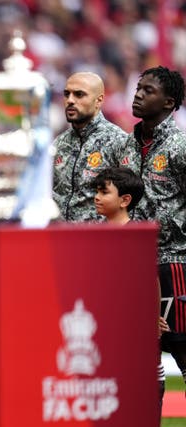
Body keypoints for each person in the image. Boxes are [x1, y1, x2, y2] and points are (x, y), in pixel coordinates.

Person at [119, 65, 186, 404]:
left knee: (180, 347)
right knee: (141, 357)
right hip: (132, 266)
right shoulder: (125, 146)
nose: (138, 94)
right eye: (138, 88)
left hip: (173, 263)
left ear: (169, 102)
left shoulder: (181, 146)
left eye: (148, 91)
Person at [90, 166, 166, 417]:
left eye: (104, 192)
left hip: (133, 325)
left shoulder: (136, 236)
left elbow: (150, 280)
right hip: (106, 324)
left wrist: (153, 319)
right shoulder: (95, 235)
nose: (97, 197)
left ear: (125, 200)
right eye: (96, 192)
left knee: (144, 382)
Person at [52, 71, 128, 222]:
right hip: (59, 238)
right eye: (67, 94)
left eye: (79, 94)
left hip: (98, 240)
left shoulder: (119, 141)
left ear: (98, 101)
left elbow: (131, 202)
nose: (70, 100)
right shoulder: (59, 143)